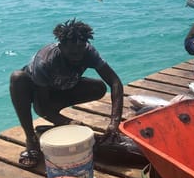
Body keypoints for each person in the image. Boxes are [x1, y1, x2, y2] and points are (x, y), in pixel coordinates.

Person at [10, 19, 124, 169]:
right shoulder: (45, 61)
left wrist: (114, 123)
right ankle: (31, 140)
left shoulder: (88, 52)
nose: (77, 56)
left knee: (98, 88)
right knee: (17, 78)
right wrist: (69, 122)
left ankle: (55, 126)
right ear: (61, 46)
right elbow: (42, 108)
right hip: (39, 94)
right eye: (71, 52)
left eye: (80, 50)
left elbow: (115, 82)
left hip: (62, 88)